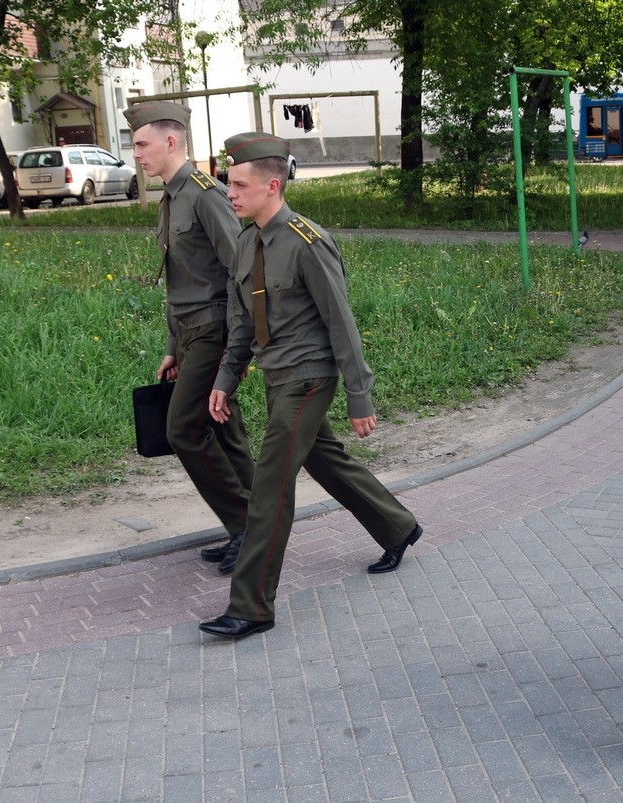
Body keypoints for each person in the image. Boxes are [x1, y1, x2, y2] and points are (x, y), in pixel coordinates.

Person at [198, 132, 423, 641]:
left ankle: (252, 606)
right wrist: (226, 379)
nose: (229, 193)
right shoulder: (246, 242)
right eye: (228, 183)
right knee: (323, 459)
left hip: (309, 377)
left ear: (272, 185)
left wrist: (359, 396)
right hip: (275, 376)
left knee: (270, 488)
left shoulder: (307, 242)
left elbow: (341, 323)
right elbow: (241, 321)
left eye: (238, 185)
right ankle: (398, 526)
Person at [123, 101, 255, 575]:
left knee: (183, 429)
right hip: (190, 332)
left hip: (215, 330)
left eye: (142, 143)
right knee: (223, 429)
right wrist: (171, 347)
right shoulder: (172, 196)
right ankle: (257, 525)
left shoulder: (204, 195)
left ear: (170, 141)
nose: (136, 153)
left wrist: (238, 350)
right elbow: (179, 281)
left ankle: (247, 528)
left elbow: (240, 273)